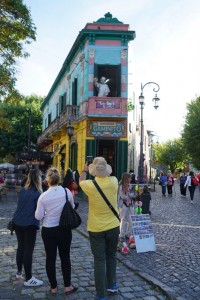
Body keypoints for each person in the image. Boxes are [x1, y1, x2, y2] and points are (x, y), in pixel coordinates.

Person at [79, 157, 120, 300]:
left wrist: (84, 170)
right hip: (113, 226)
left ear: (93, 171)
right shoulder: (114, 181)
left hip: (96, 228)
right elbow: (108, 176)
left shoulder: (90, 185)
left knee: (99, 260)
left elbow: (81, 181)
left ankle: (101, 294)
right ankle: (112, 285)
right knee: (112, 255)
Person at [35, 167, 78, 295]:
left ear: (47, 180)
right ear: (59, 179)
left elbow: (38, 216)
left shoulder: (43, 196)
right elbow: (73, 206)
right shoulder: (66, 192)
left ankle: (53, 287)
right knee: (65, 257)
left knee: (50, 258)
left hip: (49, 229)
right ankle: (67, 286)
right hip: (64, 229)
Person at [12, 169, 43, 286]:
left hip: (17, 222)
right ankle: (29, 278)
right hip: (29, 223)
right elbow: (39, 212)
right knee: (28, 250)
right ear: (38, 179)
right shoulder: (38, 193)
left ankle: (19, 272)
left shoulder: (23, 190)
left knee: (21, 247)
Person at [118, 173, 135, 247]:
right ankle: (121, 235)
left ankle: (128, 234)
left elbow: (133, 194)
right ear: (126, 178)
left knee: (131, 220)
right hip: (123, 205)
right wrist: (130, 195)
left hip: (129, 205)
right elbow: (123, 196)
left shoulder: (130, 186)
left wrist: (131, 195)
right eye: (129, 178)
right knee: (123, 220)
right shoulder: (121, 186)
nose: (131, 179)